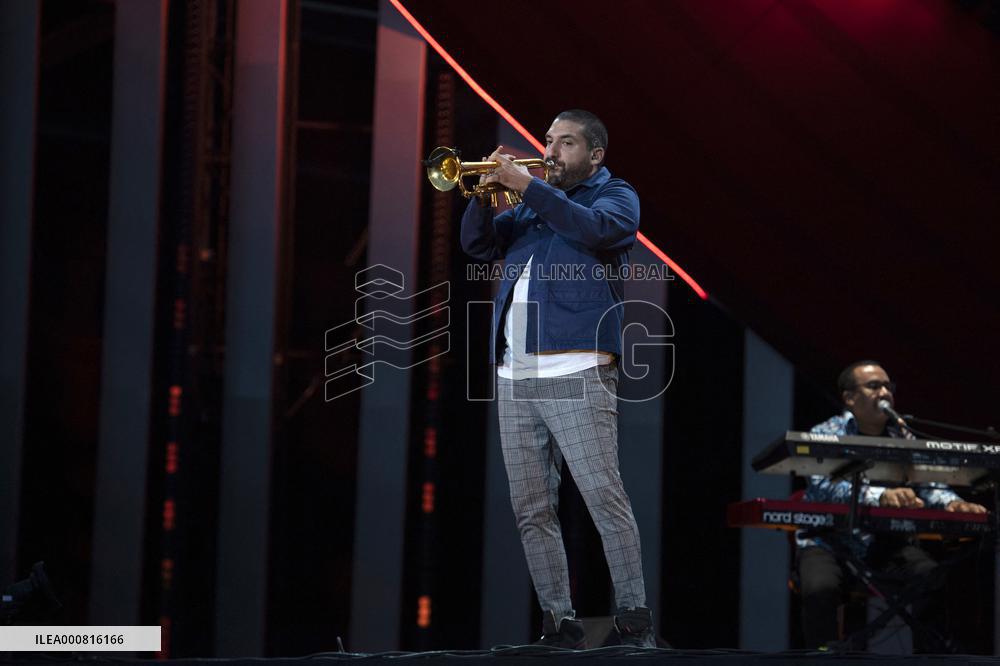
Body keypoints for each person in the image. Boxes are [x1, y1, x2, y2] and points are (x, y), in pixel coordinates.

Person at [460, 110, 656, 648]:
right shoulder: (531, 205)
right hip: (514, 372)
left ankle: (633, 615)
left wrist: (527, 186)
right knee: (530, 507)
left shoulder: (614, 195)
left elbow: (596, 230)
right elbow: (479, 247)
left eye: (565, 143)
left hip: (576, 367)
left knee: (602, 496)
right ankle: (557, 620)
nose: (549, 151)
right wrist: (483, 195)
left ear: (594, 154)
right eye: (548, 140)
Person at [798, 360, 986, 651]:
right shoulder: (826, 432)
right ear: (849, 398)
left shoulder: (902, 435)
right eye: (874, 386)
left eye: (888, 386)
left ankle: (930, 659)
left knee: (931, 578)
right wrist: (881, 496)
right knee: (819, 589)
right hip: (827, 540)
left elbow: (928, 483)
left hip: (883, 541)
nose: (885, 392)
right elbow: (827, 487)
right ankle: (819, 658)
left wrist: (954, 504)